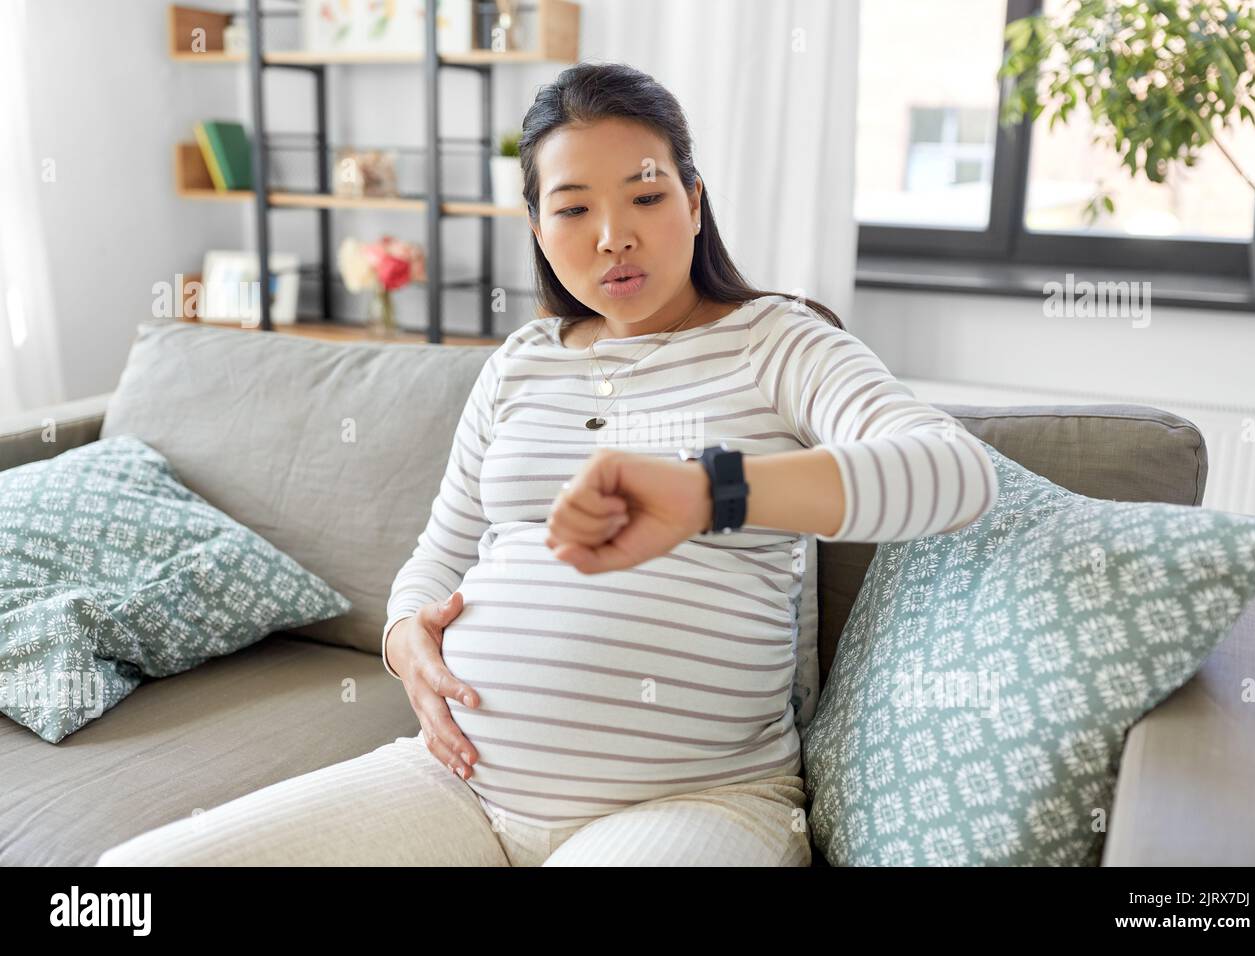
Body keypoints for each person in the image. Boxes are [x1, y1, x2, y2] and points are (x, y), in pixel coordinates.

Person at [96, 62, 997, 867]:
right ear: (535, 222)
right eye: (573, 208)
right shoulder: (522, 363)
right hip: (459, 785)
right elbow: (438, 557)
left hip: (695, 802)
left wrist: (712, 491)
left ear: (694, 198)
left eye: (645, 196)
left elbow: (954, 474)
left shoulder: (778, 342)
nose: (613, 235)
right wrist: (404, 637)